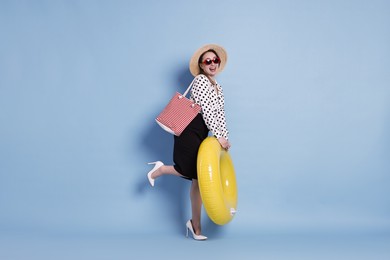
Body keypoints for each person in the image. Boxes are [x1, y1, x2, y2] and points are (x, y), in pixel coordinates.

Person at [147, 44, 231, 240]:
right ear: (201, 65)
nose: (212, 64)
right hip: (189, 128)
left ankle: (195, 226)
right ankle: (161, 170)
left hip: (202, 131)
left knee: (198, 180)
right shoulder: (200, 81)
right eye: (207, 61)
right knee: (193, 172)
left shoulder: (217, 86)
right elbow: (208, 112)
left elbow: (220, 115)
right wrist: (218, 136)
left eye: (215, 60)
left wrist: (225, 136)